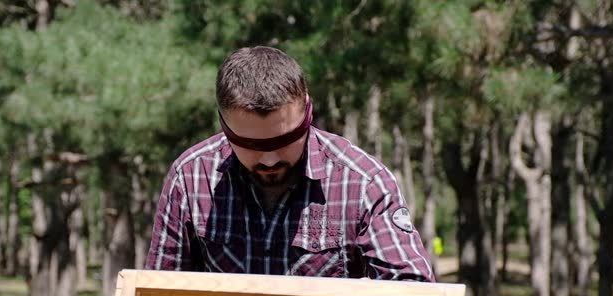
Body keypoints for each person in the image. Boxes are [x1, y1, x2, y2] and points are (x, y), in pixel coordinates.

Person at [145, 46, 434, 281]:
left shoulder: (364, 183)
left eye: (286, 140)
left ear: (308, 110)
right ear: (224, 123)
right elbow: (159, 294)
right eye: (252, 146)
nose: (270, 159)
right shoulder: (191, 178)